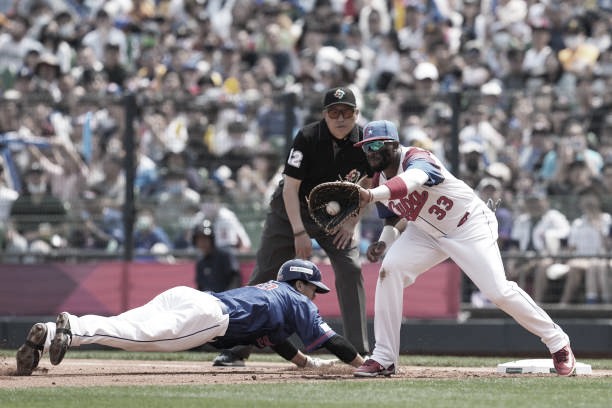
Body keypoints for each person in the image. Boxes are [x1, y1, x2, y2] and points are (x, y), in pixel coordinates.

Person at [351, 120, 575, 377]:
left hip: (469, 225)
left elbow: (411, 182)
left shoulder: (417, 157)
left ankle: (557, 341)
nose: (371, 151)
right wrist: (384, 242)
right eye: (366, 147)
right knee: (389, 270)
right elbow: (391, 216)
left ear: (394, 144)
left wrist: (370, 195)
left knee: (498, 291)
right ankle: (384, 358)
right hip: (426, 232)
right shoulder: (379, 179)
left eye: (377, 144)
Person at [213, 86, 373, 366]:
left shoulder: (364, 143)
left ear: (356, 114)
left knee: (351, 268)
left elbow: (369, 185)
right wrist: (299, 232)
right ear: (325, 115)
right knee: (264, 274)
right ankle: (238, 350)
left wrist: (352, 222)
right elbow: (290, 189)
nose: (340, 118)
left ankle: (361, 351)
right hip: (290, 211)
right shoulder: (308, 137)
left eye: (347, 112)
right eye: (334, 112)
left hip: (335, 215)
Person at [15, 259, 365, 376]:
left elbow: (278, 340)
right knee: (135, 336)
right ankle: (72, 328)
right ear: (299, 282)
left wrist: (304, 363)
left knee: (126, 322)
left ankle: (46, 333)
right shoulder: (296, 299)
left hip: (186, 297)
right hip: (208, 317)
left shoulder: (271, 291)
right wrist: (363, 364)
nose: (314, 295)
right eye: (313, 288)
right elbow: (333, 340)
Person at [193, 219, 242, 293]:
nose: (202, 243)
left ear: (212, 239)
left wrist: (226, 298)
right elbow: (200, 287)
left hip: (226, 300)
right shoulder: (200, 262)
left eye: (205, 239)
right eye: (199, 239)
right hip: (207, 301)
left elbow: (235, 280)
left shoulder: (225, 256)